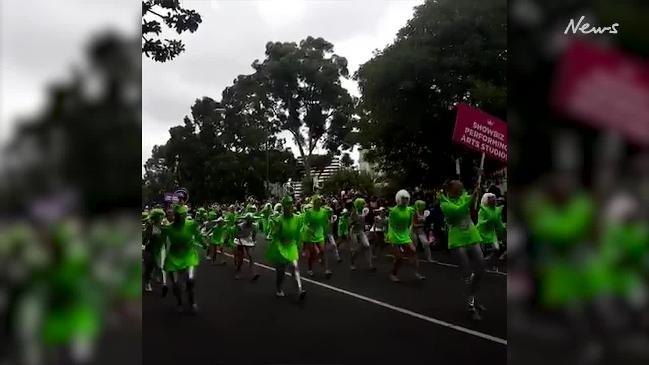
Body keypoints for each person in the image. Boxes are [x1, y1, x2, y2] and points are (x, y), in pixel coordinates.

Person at [440, 178, 486, 321]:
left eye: (462, 187)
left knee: (481, 268)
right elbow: (458, 212)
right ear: (451, 190)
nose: (461, 189)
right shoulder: (444, 203)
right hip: (457, 240)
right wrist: (471, 198)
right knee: (467, 275)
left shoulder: (464, 196)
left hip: (471, 236)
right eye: (458, 188)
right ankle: (471, 306)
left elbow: (474, 201)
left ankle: (472, 298)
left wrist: (479, 189)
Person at [162, 204, 205, 314]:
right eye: (178, 215)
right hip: (174, 255)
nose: (180, 217)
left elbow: (198, 235)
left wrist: (204, 244)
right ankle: (179, 302)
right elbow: (162, 241)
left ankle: (192, 302)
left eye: (182, 215)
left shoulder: (190, 224)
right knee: (176, 284)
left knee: (191, 281)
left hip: (188, 254)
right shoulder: (168, 228)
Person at [265, 195, 307, 300]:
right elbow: (275, 235)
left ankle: (299, 289)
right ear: (283, 207)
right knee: (281, 273)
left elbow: (298, 233)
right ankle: (279, 289)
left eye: (291, 204)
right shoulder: (279, 220)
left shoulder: (297, 218)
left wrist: (300, 245)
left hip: (291, 245)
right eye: (287, 205)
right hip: (280, 247)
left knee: (295, 267)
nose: (289, 207)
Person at [386, 190, 425, 282]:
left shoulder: (410, 210)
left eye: (407, 199)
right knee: (399, 258)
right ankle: (393, 274)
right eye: (403, 198)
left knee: (413, 251)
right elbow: (390, 225)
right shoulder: (394, 211)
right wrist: (389, 236)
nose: (405, 200)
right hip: (394, 235)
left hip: (405, 235)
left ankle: (416, 272)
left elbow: (410, 223)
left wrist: (409, 232)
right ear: (398, 199)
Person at [302, 195, 333, 278]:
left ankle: (326, 269)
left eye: (320, 201)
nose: (319, 202)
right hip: (311, 235)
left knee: (323, 251)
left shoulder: (323, 211)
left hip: (320, 234)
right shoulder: (309, 212)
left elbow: (326, 221)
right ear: (314, 203)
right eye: (317, 201)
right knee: (312, 254)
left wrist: (328, 226)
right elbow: (304, 224)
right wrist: (308, 229)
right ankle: (310, 269)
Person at [143, 208, 168, 297]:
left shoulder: (164, 226)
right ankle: (147, 282)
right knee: (149, 267)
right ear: (156, 217)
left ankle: (158, 277)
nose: (162, 218)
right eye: (160, 216)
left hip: (159, 250)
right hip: (149, 250)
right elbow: (144, 239)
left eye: (162, 216)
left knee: (160, 266)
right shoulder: (150, 227)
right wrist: (147, 240)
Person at [476, 193, 506, 263]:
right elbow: (480, 222)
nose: (494, 199)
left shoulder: (497, 210)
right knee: (481, 250)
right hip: (481, 231)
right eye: (491, 198)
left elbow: (499, 223)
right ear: (487, 200)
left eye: (494, 198)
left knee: (496, 248)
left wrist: (502, 229)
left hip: (491, 232)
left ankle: (488, 258)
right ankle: (480, 261)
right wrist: (488, 221)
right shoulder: (482, 210)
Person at [349, 198, 375, 271]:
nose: (364, 205)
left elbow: (364, 221)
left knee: (367, 246)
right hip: (354, 231)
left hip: (361, 231)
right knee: (355, 249)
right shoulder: (353, 213)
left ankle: (370, 265)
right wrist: (354, 223)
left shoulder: (364, 212)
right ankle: (352, 263)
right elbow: (350, 224)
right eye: (363, 204)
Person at [233, 212, 260, 281]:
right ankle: (238, 272)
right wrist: (238, 236)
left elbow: (254, 235)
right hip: (240, 240)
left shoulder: (254, 226)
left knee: (251, 256)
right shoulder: (241, 225)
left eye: (251, 220)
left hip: (248, 240)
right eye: (249, 220)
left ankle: (254, 273)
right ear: (246, 220)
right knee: (241, 258)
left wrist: (254, 241)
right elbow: (236, 234)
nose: (250, 222)